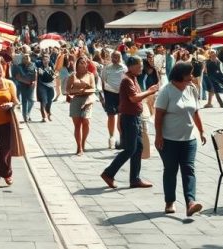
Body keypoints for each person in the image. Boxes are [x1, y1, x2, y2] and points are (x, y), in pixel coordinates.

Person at [154, 62, 206, 216]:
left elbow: (196, 112)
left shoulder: (192, 89)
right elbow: (158, 116)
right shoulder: (166, 91)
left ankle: (191, 202)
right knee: (170, 170)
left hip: (189, 139)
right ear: (181, 75)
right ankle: (170, 201)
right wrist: (158, 135)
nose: (192, 76)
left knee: (189, 169)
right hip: (169, 140)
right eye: (189, 74)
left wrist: (201, 130)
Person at [100, 56, 159, 190]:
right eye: (139, 66)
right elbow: (133, 98)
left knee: (138, 148)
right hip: (129, 118)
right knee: (130, 149)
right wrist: (149, 91)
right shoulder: (127, 80)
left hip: (134, 117)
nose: (141, 68)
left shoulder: (133, 78)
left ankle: (135, 179)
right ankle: (108, 173)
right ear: (131, 66)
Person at [66, 56, 97, 155]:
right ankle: (79, 147)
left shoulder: (90, 75)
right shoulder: (73, 76)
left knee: (86, 121)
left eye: (85, 62)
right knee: (77, 125)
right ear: (77, 64)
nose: (83, 64)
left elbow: (93, 89)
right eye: (81, 62)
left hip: (87, 100)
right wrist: (76, 91)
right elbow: (68, 89)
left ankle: (83, 143)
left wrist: (83, 91)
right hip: (76, 100)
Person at [100, 50, 127, 149]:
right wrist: (103, 97)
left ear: (120, 57)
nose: (115, 59)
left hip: (121, 95)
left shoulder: (125, 68)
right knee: (111, 116)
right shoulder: (107, 68)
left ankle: (122, 139)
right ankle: (111, 138)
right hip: (110, 94)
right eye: (113, 57)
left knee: (121, 116)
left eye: (117, 57)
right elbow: (103, 81)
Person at [12, 54, 37, 122]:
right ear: (22, 59)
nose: (26, 59)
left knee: (32, 100)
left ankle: (27, 113)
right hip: (22, 85)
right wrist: (24, 81)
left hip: (31, 85)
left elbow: (35, 73)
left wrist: (34, 81)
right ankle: (25, 116)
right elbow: (17, 77)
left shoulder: (33, 65)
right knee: (24, 101)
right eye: (24, 58)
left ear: (29, 58)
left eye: (27, 58)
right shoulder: (19, 66)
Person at [36, 53, 56, 121]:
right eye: (44, 60)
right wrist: (51, 75)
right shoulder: (40, 68)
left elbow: (53, 76)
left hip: (50, 86)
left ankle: (48, 114)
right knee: (44, 100)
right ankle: (44, 116)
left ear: (49, 60)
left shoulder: (51, 66)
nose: (45, 61)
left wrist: (53, 74)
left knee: (49, 101)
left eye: (47, 60)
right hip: (42, 85)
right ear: (42, 60)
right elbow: (45, 77)